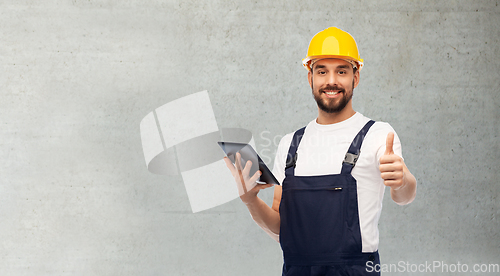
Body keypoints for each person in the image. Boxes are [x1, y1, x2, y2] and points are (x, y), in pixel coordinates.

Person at [224, 27, 417, 276]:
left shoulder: (378, 134)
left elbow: (404, 196)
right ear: (310, 78)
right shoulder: (290, 144)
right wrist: (250, 200)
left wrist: (402, 181)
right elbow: (280, 229)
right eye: (322, 71)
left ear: (355, 77)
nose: (331, 81)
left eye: (342, 71)